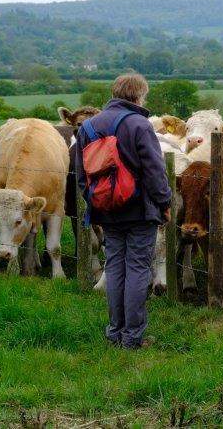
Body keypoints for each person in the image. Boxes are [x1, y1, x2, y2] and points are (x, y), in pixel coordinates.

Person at [75, 72, 172, 349]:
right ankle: (132, 338)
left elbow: (82, 177)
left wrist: (98, 201)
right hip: (140, 210)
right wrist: (164, 204)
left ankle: (114, 332)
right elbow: (155, 171)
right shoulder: (139, 124)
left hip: (105, 211)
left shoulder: (88, 127)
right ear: (140, 95)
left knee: (114, 266)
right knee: (138, 268)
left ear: (115, 93)